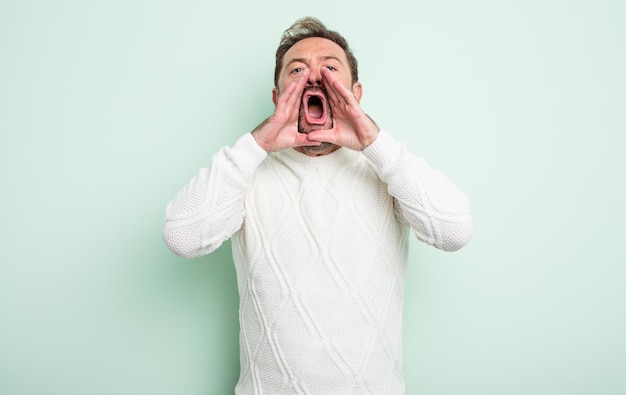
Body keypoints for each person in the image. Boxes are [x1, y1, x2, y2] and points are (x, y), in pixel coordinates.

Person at [163, 16, 472, 394]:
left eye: (330, 67)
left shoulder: (387, 171)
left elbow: (454, 231)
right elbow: (182, 237)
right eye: (297, 70)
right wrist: (257, 144)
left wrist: (375, 142)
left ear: (355, 93)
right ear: (278, 98)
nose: (314, 77)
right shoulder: (247, 173)